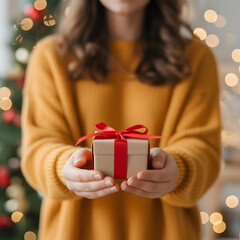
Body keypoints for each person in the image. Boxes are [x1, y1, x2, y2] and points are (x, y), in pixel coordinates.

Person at [20, 0, 222, 239]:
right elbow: (37, 147)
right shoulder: (51, 56)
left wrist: (180, 169)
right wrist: (63, 167)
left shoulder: (196, 59)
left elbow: (204, 148)